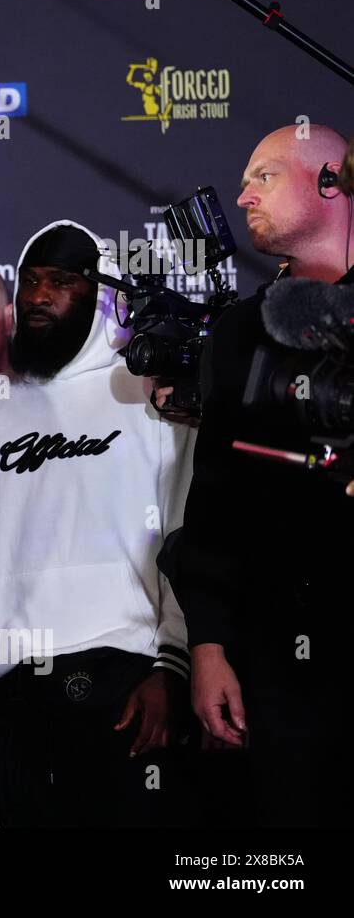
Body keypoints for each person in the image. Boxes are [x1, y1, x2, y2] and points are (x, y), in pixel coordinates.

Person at [0, 221, 195, 827]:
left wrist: (172, 668)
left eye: (61, 283)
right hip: (13, 694)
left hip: (129, 683)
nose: (38, 297)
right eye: (30, 282)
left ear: (103, 292)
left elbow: (185, 538)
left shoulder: (154, 399)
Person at [172, 124, 353, 826]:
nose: (243, 194)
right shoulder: (240, 331)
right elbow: (215, 499)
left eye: (265, 176)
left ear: (332, 180)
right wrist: (209, 644)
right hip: (281, 664)